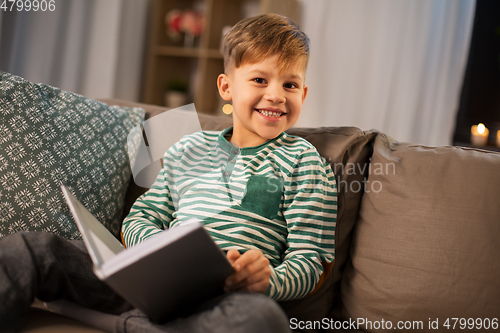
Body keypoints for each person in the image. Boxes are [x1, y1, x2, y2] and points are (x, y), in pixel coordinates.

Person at [0, 13, 336, 333]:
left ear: (303, 94)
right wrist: (158, 248)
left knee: (261, 319)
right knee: (34, 249)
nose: (276, 95)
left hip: (222, 300)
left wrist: (267, 281)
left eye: (290, 85)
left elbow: (313, 262)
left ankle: (126, 324)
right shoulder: (187, 148)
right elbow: (139, 219)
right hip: (149, 284)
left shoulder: (303, 161)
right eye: (260, 79)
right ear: (227, 87)